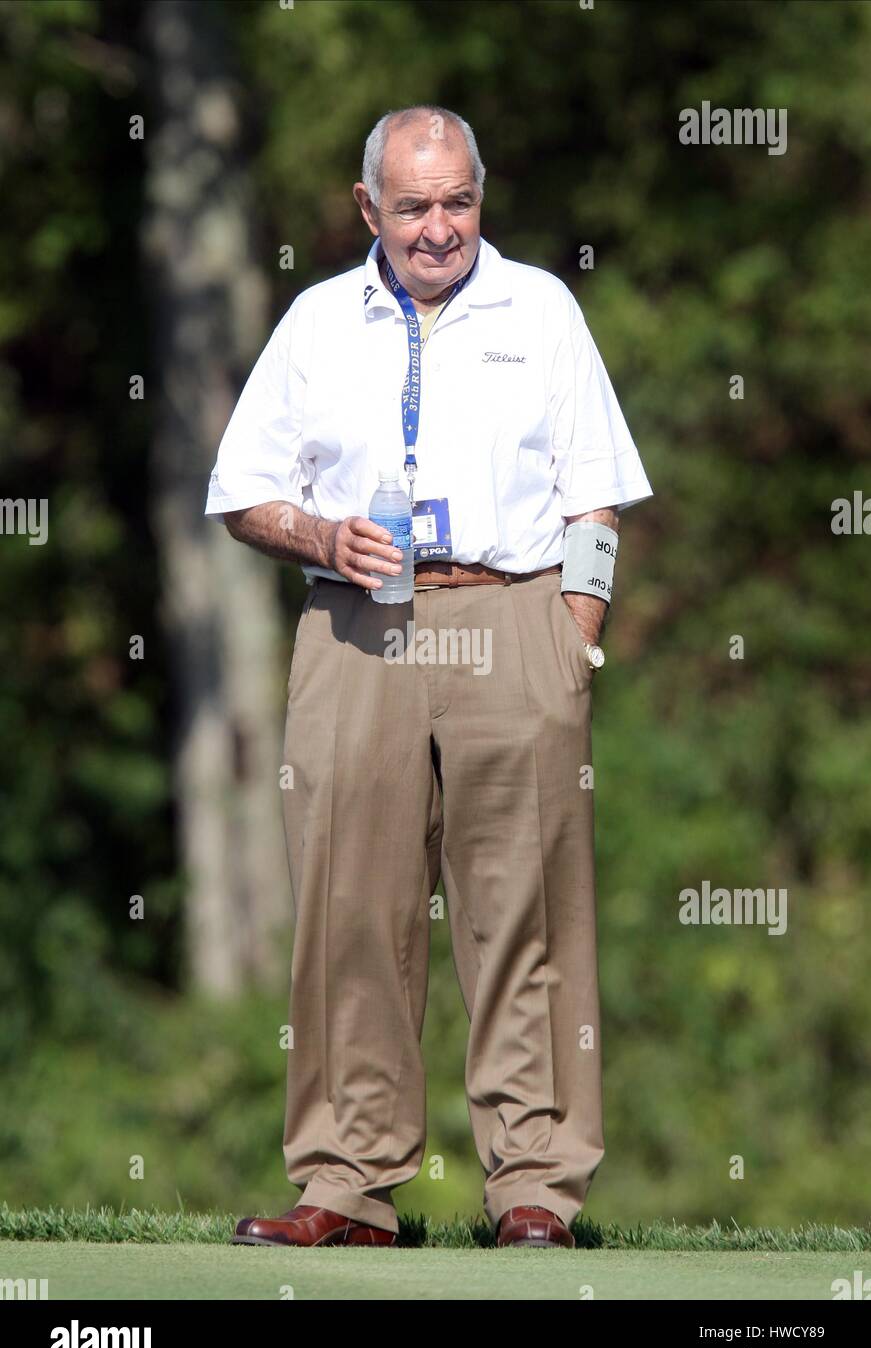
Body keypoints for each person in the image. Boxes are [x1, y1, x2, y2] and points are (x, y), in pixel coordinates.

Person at [205, 105, 653, 1249]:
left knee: (524, 914)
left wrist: (575, 641)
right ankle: (347, 1187)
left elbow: (594, 491)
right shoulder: (315, 322)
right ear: (369, 209)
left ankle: (535, 1189)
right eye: (413, 205)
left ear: (479, 199)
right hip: (358, 628)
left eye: (457, 200)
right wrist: (319, 538)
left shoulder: (540, 307)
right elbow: (241, 491)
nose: (438, 227)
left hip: (512, 617)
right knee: (350, 908)